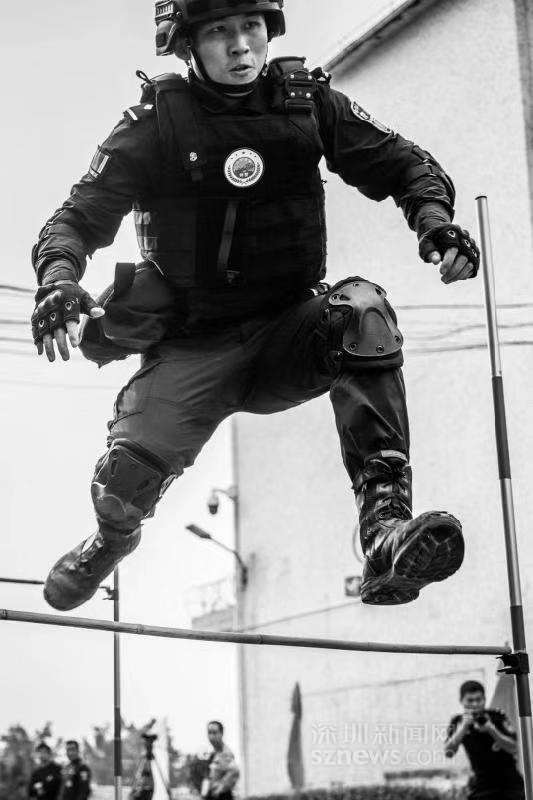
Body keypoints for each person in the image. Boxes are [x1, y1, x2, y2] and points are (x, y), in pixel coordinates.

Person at [31, 0, 480, 610]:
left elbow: (404, 163)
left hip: (288, 332)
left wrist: (434, 220)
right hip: (193, 343)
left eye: (252, 27)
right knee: (122, 483)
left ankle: (383, 533)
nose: (241, 45)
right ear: (186, 44)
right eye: (220, 31)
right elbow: (76, 218)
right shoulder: (153, 123)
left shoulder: (308, 102)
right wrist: (58, 281)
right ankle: (109, 542)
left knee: (363, 308)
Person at [445, 679, 525, 800]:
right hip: (481, 785)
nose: (475, 704)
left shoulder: (497, 716)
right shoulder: (457, 721)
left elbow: (514, 748)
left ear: (484, 699)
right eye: (470, 700)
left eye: (479, 699)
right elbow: (448, 752)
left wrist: (492, 730)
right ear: (461, 700)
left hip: (510, 783)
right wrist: (463, 728)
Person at [202, 721, 239, 800]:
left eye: (214, 733)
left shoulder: (225, 753)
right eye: (209, 733)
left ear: (221, 734)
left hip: (222, 796)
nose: (211, 737)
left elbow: (235, 771)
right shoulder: (213, 753)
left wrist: (220, 788)